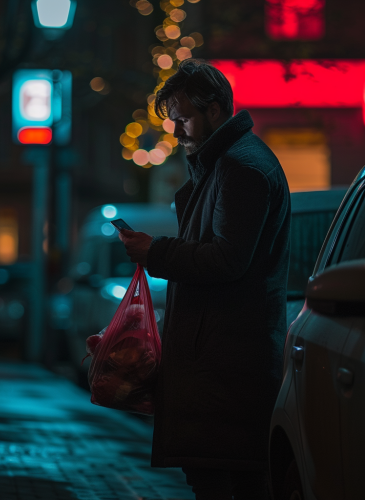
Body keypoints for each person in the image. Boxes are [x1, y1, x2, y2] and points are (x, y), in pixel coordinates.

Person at [118, 59, 291, 500]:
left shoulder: (241, 168)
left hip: (226, 363)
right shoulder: (226, 164)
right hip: (220, 358)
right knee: (229, 479)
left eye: (183, 118)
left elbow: (227, 259)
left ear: (214, 110)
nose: (177, 132)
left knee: (228, 481)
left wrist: (155, 251)